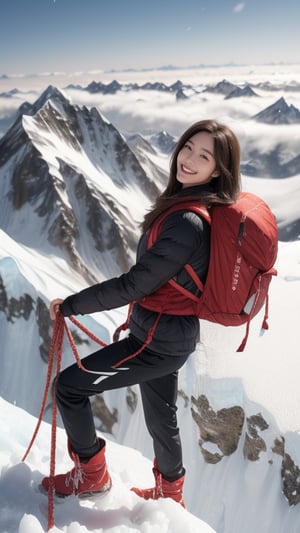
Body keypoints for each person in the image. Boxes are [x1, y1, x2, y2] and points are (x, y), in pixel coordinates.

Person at [42, 119, 241, 506]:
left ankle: (92, 476)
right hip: (170, 335)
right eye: (188, 147)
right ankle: (170, 495)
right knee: (161, 415)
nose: (189, 159)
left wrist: (71, 306)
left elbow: (136, 284)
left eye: (204, 156)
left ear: (217, 170)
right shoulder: (192, 207)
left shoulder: (185, 222)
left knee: (69, 387)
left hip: (155, 341)